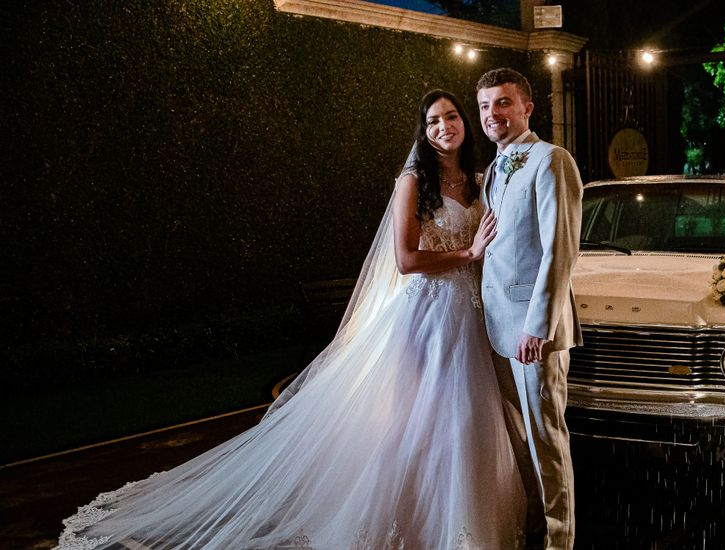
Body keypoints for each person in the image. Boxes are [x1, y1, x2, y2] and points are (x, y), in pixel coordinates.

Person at [56, 89, 525, 550]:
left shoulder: (480, 178)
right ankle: (404, 517)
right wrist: (469, 251)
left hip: (472, 314)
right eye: (434, 121)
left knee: (465, 422)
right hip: (428, 316)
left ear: (466, 123)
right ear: (424, 133)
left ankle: (455, 522)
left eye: (452, 117)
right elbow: (404, 259)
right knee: (418, 423)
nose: (445, 126)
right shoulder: (412, 181)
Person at [476, 68, 583, 550]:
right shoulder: (495, 168)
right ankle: (535, 528)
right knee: (520, 441)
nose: (492, 114)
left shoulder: (551, 160)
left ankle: (559, 541)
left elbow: (560, 250)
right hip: (497, 327)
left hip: (531, 333)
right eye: (484, 106)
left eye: (502, 103)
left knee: (545, 439)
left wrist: (537, 326)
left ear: (526, 108)